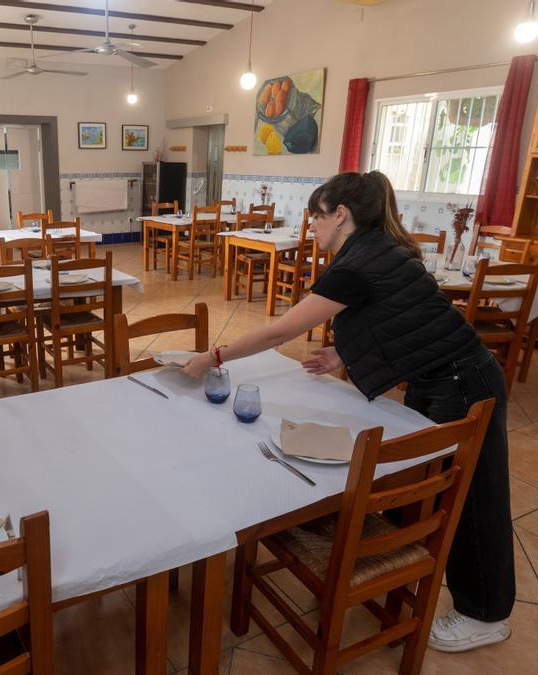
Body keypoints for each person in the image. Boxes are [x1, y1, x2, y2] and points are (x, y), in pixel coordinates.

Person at [180, 171, 514, 653]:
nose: (312, 226)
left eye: (317, 216)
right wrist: (343, 356)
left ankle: (486, 615)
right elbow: (401, 317)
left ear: (341, 215)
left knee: (473, 500)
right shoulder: (381, 247)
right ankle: (394, 579)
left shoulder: (359, 263)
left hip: (464, 382)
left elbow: (280, 332)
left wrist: (214, 357)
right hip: (447, 377)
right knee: (426, 485)